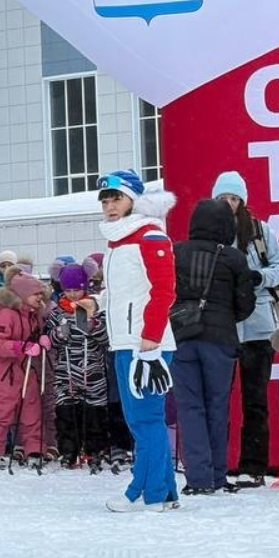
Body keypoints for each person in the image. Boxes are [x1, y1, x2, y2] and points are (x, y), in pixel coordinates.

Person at [95, 170, 180, 512]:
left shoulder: (149, 235)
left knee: (145, 421)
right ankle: (165, 492)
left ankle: (147, 493)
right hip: (126, 341)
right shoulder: (118, 240)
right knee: (143, 420)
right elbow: (126, 291)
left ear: (133, 200)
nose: (109, 205)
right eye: (105, 200)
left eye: (116, 198)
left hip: (144, 343)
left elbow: (164, 291)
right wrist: (98, 302)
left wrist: (150, 338)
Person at [171, 198, 257, 495]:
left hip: (181, 337)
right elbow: (245, 304)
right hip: (220, 341)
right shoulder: (234, 257)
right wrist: (225, 315)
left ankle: (198, 478)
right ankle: (218, 475)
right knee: (217, 406)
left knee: (189, 407)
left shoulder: (177, 251)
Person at [211, 171, 279, 488]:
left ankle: (253, 467)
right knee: (217, 399)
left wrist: (260, 277)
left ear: (242, 201)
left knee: (255, 400)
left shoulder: (259, 230)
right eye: (223, 198)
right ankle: (216, 464)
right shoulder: (208, 232)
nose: (229, 204)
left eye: (234, 198)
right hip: (221, 326)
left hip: (258, 327)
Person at [47, 264, 111, 469]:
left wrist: (94, 326)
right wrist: (57, 334)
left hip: (92, 370)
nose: (73, 294)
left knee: (94, 412)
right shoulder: (58, 312)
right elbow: (49, 339)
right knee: (66, 411)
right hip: (66, 371)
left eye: (77, 289)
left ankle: (94, 450)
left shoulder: (94, 309)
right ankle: (69, 450)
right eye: (68, 290)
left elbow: (106, 339)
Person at [0, 274, 49, 468]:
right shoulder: (6, 314)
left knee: (32, 411)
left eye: (40, 294)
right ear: (23, 295)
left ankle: (35, 449)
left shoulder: (33, 314)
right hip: (6, 373)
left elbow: (33, 336)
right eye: (35, 294)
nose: (39, 297)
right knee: (1, 412)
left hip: (28, 369)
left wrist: (41, 340)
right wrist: (21, 347)